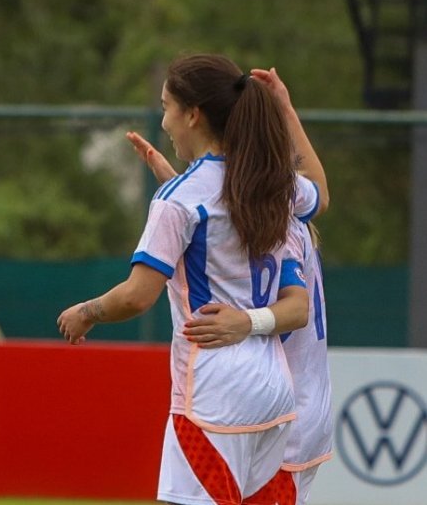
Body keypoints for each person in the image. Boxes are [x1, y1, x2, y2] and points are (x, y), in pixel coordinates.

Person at [57, 54, 312, 504]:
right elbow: (295, 303)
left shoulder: (181, 198)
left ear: (192, 114)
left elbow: (137, 298)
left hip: (215, 393)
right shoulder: (265, 188)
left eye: (166, 108)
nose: (164, 122)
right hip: (272, 393)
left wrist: (85, 312)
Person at [135, 68, 333, 505]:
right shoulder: (267, 200)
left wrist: (246, 321)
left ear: (197, 117)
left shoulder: (268, 205)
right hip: (285, 402)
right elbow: (318, 190)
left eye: (168, 108)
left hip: (277, 406)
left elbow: (294, 310)